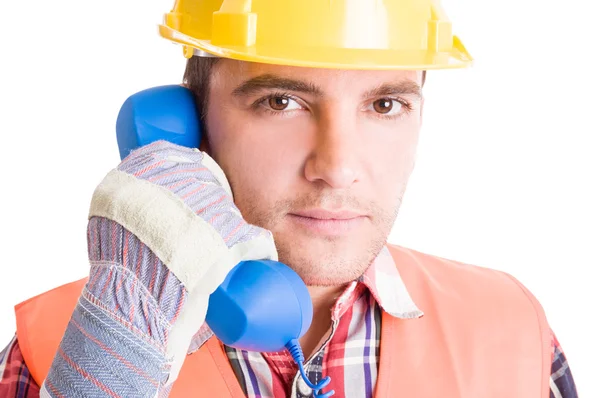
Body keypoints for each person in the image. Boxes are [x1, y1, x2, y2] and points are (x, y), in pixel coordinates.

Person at [0, 0, 579, 397]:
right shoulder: (57, 346)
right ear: (188, 125)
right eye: (281, 102)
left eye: (384, 105)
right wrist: (109, 363)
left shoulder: (514, 329)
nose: (337, 168)